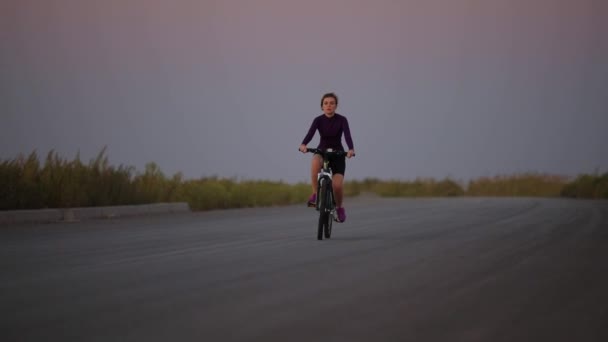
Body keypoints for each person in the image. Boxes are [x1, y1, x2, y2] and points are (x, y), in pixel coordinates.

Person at [299, 92, 355, 223]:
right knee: (314, 162)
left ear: (336, 106)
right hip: (322, 151)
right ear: (322, 106)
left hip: (338, 154)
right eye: (326, 103)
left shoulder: (342, 120)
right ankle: (315, 195)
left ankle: (340, 208)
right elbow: (310, 133)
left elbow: (347, 136)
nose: (329, 106)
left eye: (332, 103)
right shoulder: (318, 120)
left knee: (337, 186)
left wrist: (350, 149)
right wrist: (303, 144)